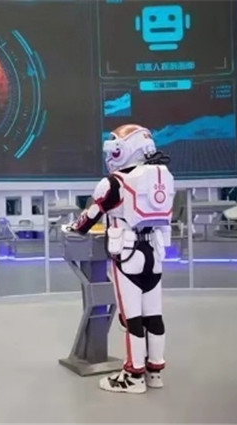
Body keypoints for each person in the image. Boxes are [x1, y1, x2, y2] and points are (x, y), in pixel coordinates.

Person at [69, 124, 174, 394]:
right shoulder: (161, 177)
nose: (110, 154)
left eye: (114, 147)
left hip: (127, 256)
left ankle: (133, 375)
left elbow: (89, 218)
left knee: (132, 318)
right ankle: (154, 372)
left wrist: (75, 227)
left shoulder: (113, 182)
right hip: (154, 254)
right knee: (154, 315)